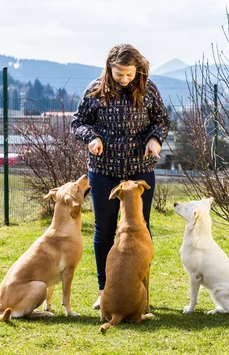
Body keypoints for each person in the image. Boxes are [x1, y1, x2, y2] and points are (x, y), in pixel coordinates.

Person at [71, 43, 171, 309]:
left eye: (130, 74)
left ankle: (141, 289)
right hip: (104, 170)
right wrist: (91, 138)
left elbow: (162, 120)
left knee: (141, 231)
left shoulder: (148, 89)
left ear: (138, 69)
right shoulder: (95, 91)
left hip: (140, 170)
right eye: (120, 75)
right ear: (109, 69)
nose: (125, 79)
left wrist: (155, 139)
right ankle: (106, 289)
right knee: (104, 230)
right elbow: (78, 123)